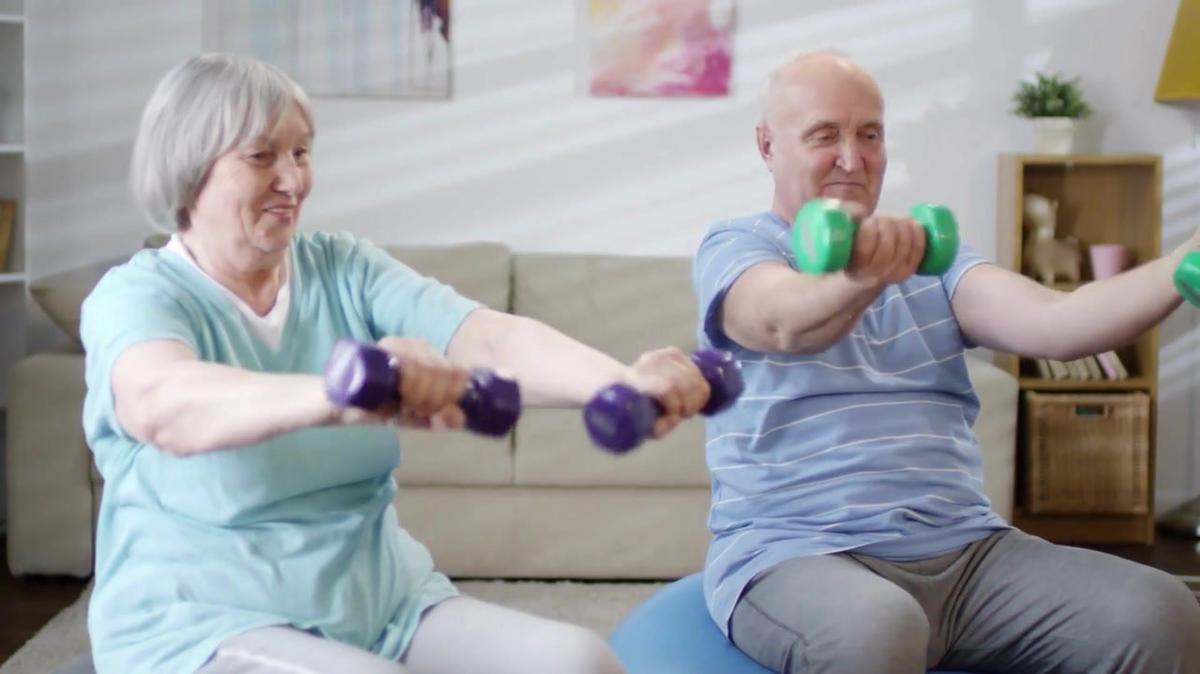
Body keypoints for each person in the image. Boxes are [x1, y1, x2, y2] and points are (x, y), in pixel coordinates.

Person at [80, 53, 713, 674]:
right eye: (261, 155)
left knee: (581, 661)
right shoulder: (139, 296)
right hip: (200, 621)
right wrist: (342, 392)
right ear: (191, 169)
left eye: (301, 152)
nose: (294, 180)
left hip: (384, 606)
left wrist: (624, 381)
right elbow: (163, 404)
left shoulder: (341, 268)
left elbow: (486, 340)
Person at [692, 50, 1200, 674]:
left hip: (967, 553)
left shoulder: (934, 260)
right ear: (768, 146)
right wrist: (866, 276)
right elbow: (782, 322)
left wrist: (1184, 263)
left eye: (869, 134)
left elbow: (1059, 323)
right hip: (795, 553)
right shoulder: (738, 247)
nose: (852, 158)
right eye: (825, 135)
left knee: (1159, 610)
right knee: (877, 627)